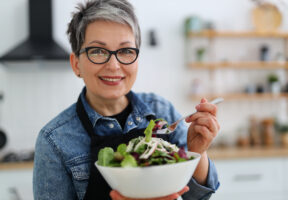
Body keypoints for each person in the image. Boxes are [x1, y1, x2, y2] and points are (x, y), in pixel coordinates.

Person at [33, 0, 220, 199]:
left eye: (125, 51)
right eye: (98, 51)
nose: (114, 65)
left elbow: (198, 196)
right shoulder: (54, 140)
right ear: (76, 64)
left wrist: (198, 152)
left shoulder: (161, 111)